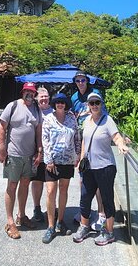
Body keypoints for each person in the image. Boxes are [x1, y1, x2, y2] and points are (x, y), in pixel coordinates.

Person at [73, 92, 128, 246]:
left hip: (105, 167)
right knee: (85, 197)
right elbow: (85, 141)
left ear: (102, 104)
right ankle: (84, 226)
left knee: (107, 199)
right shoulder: (87, 121)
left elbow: (116, 136)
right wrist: (82, 160)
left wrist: (121, 145)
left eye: (97, 102)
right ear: (88, 106)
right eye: (92, 103)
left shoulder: (107, 120)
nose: (95, 106)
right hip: (89, 167)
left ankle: (109, 232)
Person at [0, 82, 43, 239]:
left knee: (25, 183)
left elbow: (38, 131)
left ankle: (21, 215)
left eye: (32, 92)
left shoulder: (36, 109)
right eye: (27, 91)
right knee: (12, 184)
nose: (30, 94)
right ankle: (10, 222)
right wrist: (2, 149)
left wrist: (39, 150)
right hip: (14, 154)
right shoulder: (13, 106)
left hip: (29, 154)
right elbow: (2, 127)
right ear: (23, 92)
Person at [41, 92, 80, 244]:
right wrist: (49, 159)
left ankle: (60, 221)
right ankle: (50, 226)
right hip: (52, 161)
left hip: (68, 161)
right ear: (54, 104)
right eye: (58, 102)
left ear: (66, 104)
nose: (60, 104)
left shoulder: (71, 119)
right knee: (51, 191)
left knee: (64, 189)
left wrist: (77, 155)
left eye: (62, 102)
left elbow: (77, 137)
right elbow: (45, 139)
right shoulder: (49, 119)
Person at [71, 71, 107, 230]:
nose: (80, 82)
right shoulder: (73, 97)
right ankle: (85, 212)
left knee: (98, 179)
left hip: (96, 139)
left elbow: (103, 112)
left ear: (87, 81)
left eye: (83, 80)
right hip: (81, 140)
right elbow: (73, 116)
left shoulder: (95, 94)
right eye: (78, 80)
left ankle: (101, 214)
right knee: (83, 177)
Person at [29, 87, 52, 223]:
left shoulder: (55, 111)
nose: (43, 99)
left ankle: (52, 207)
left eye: (46, 96)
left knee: (52, 181)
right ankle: (37, 207)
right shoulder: (33, 110)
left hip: (51, 153)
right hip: (36, 151)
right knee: (37, 180)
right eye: (41, 96)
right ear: (37, 98)